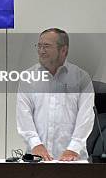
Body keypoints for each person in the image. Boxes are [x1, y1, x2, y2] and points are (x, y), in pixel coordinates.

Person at [16, 28, 94, 161]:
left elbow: (86, 117)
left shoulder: (81, 78)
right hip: (37, 159)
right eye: (39, 46)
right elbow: (23, 115)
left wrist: (73, 148)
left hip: (74, 160)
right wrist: (36, 144)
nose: (41, 51)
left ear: (63, 50)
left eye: (46, 46)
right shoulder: (28, 77)